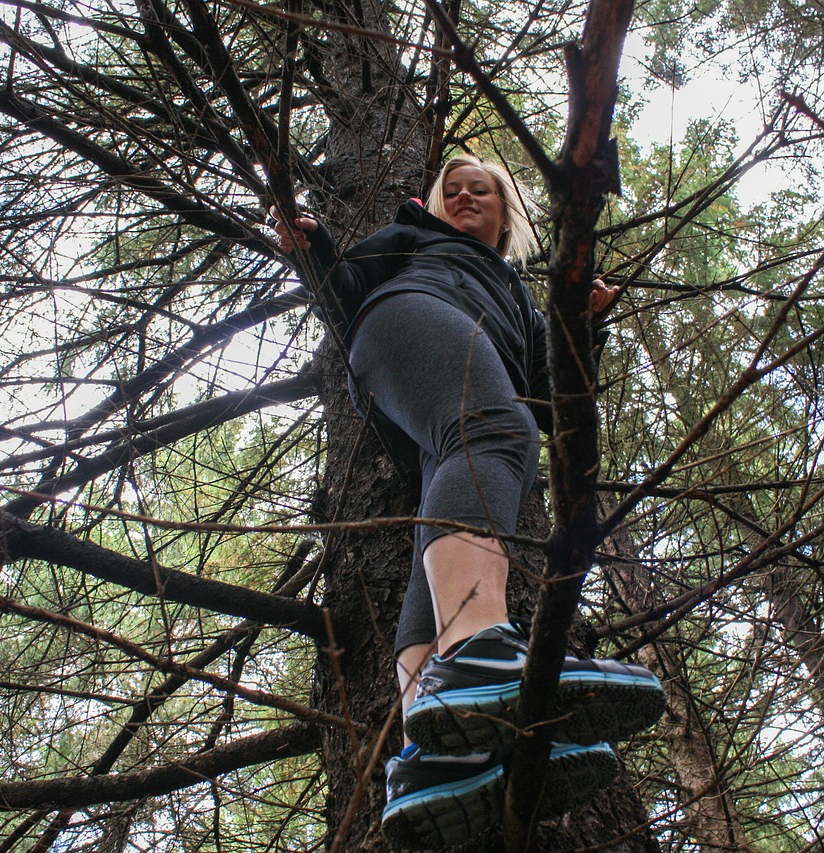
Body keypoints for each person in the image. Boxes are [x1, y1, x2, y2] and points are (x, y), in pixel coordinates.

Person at [272, 155, 665, 849]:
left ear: (506, 211)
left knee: (493, 437)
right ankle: (477, 649)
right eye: (450, 191)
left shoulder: (518, 296)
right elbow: (346, 285)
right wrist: (317, 247)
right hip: (409, 320)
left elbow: (552, 399)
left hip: (436, 411)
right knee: (494, 428)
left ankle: (435, 752)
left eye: (477, 190)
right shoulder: (417, 234)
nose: (460, 198)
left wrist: (586, 327)